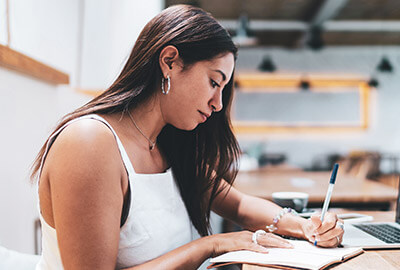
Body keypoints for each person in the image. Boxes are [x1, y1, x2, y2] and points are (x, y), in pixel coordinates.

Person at [31, 5, 344, 269]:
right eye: (213, 82)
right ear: (169, 61)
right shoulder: (89, 143)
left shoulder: (168, 143)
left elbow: (239, 206)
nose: (218, 104)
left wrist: (304, 226)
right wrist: (210, 246)